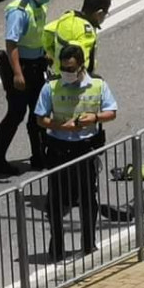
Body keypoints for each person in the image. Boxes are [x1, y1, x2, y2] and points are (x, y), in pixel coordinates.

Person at [35, 44, 117, 261]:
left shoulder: (98, 84)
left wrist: (95, 118)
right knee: (56, 201)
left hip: (85, 149)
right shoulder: (51, 86)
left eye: (71, 68)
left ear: (81, 66)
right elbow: (40, 118)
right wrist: (63, 126)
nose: (67, 73)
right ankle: (58, 247)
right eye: (64, 68)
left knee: (88, 199)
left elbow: (112, 112)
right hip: (59, 149)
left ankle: (89, 244)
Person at [0, 0, 54, 175]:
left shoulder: (38, 3)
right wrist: (17, 74)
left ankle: (39, 156)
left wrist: (44, 54)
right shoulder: (19, 10)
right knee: (16, 114)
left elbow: (36, 34)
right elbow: (12, 44)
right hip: (20, 67)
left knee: (38, 111)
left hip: (35, 64)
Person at [42, 0, 111, 74]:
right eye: (105, 14)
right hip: (74, 82)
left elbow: (47, 31)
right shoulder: (86, 34)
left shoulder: (67, 17)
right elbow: (82, 63)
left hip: (58, 74)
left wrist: (53, 55)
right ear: (99, 13)